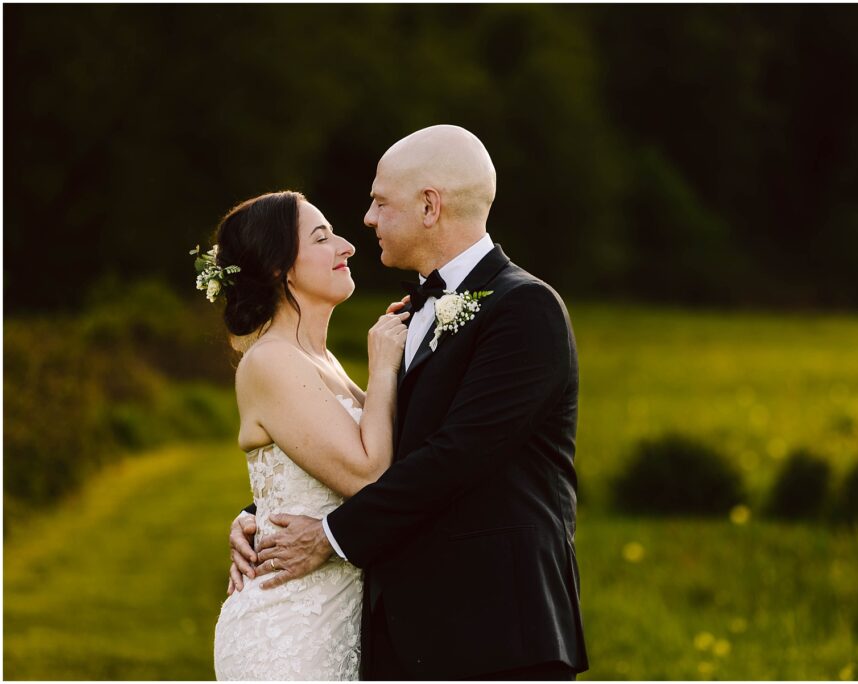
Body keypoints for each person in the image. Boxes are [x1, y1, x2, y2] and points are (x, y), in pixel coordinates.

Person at [229, 125, 589, 680]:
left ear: (429, 206)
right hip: (404, 635)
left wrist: (329, 535)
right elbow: (373, 443)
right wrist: (261, 515)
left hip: (496, 631)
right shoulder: (406, 320)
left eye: (379, 202)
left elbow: (456, 456)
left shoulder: (524, 308)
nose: (367, 220)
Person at [209, 190, 411, 680]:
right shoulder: (271, 360)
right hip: (288, 635)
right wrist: (383, 367)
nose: (347, 246)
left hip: (336, 623)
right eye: (323, 237)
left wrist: (255, 510)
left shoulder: (321, 361)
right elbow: (368, 476)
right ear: (282, 270)